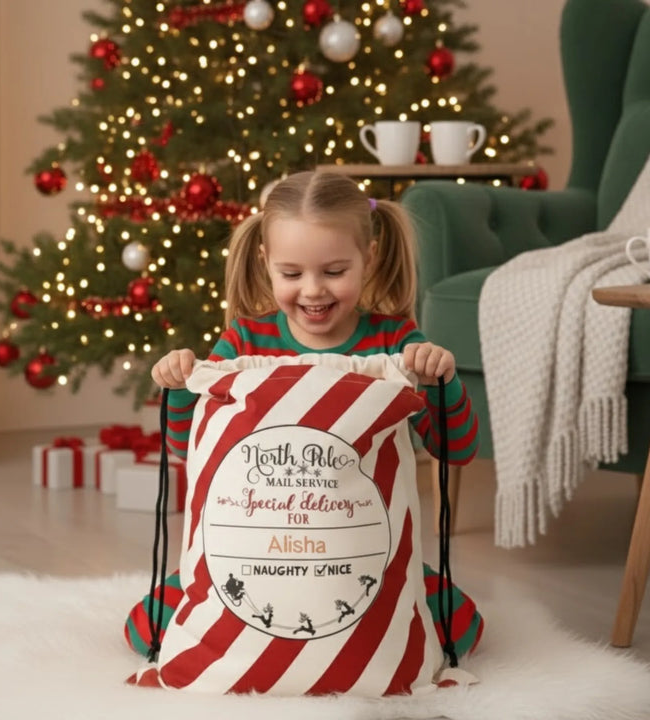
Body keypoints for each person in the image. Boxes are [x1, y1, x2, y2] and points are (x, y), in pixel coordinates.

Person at [124, 170, 483, 661]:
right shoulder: (242, 345)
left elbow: (457, 448)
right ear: (266, 263)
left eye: (334, 271)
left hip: (362, 553)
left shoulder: (395, 344)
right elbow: (189, 448)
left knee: (462, 628)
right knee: (147, 629)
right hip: (254, 551)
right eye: (291, 274)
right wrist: (181, 387)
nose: (313, 291)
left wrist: (443, 382)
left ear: (369, 259)